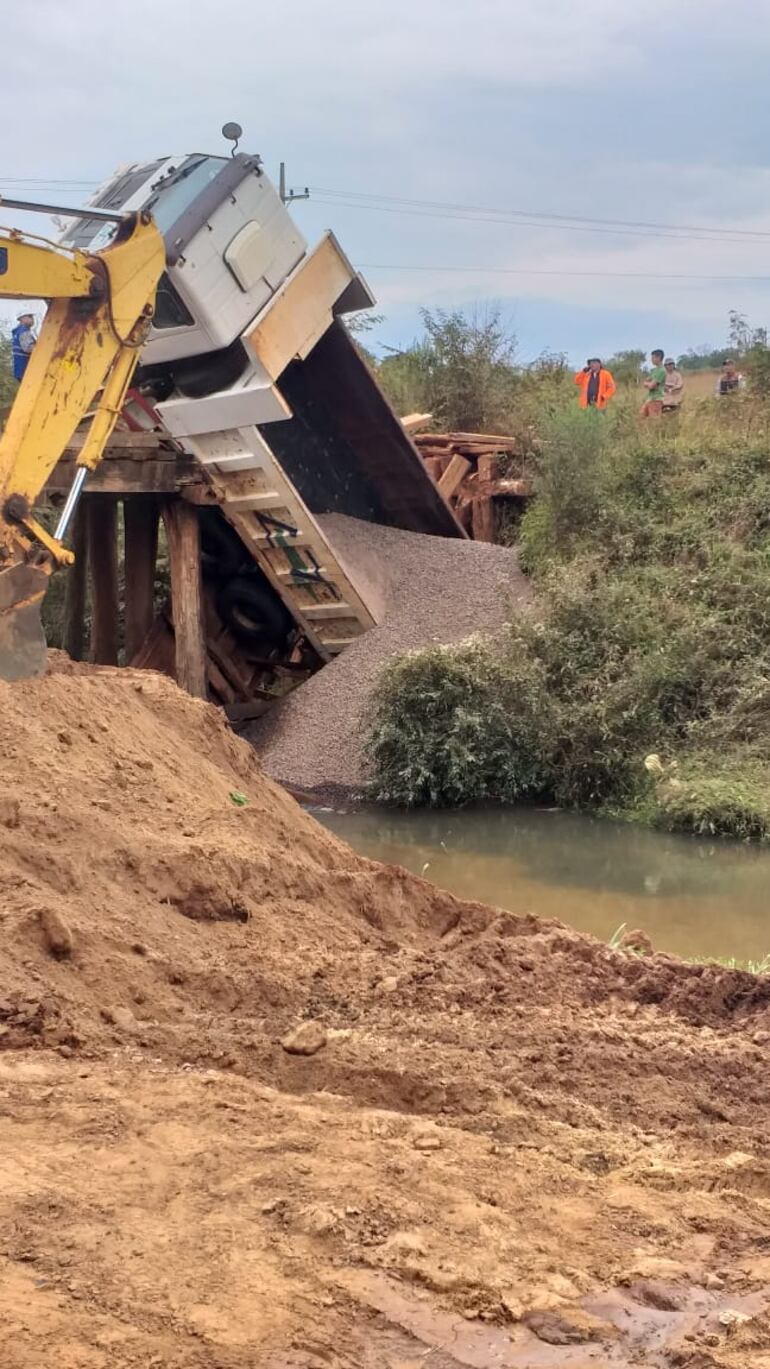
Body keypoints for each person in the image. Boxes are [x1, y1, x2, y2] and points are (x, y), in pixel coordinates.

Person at [640, 349, 667, 418]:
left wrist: (649, 384)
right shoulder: (654, 370)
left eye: (653, 358)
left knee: (654, 420)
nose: (651, 360)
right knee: (641, 416)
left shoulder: (662, 370)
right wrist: (648, 384)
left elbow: (652, 386)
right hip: (650, 398)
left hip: (657, 399)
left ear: (659, 357)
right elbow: (645, 382)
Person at [11, 312, 36, 382]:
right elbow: (28, 348)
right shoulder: (23, 331)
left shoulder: (17, 332)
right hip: (26, 369)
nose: (32, 319)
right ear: (22, 318)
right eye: (30, 316)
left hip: (20, 369)